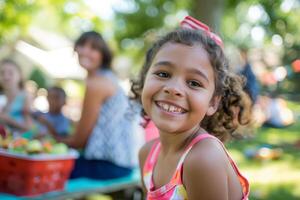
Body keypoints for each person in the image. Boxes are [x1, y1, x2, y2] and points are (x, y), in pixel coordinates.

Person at [131, 16, 251, 199]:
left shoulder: (204, 158)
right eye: (163, 73)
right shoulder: (147, 154)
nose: (173, 89)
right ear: (144, 79)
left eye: (194, 83)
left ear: (212, 102)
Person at [57, 31, 143, 179]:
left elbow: (79, 141)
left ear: (103, 55)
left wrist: (51, 140)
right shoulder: (107, 78)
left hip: (110, 164)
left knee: (47, 169)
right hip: (123, 162)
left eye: (93, 48)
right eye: (82, 45)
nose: (85, 51)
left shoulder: (97, 83)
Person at [0, 59, 32, 135]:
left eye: (10, 73)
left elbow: (28, 127)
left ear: (20, 75)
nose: (6, 77)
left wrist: (8, 119)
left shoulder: (25, 97)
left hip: (20, 142)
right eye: (2, 73)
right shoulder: (1, 97)